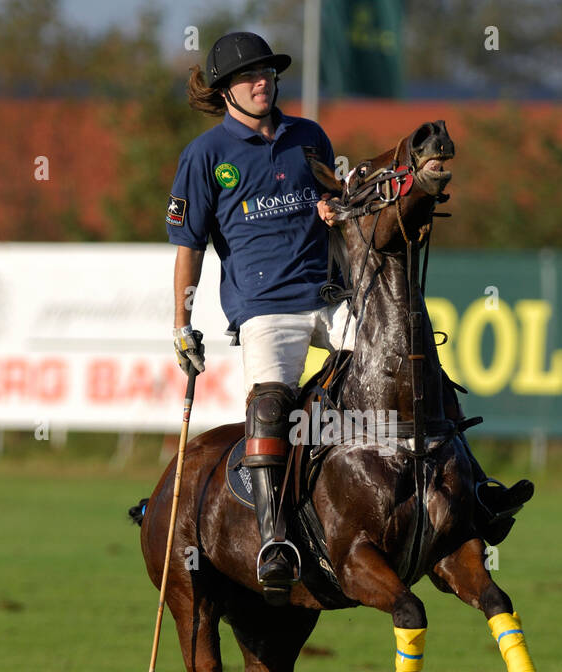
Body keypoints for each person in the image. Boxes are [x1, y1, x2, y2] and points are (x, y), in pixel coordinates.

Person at [167, 31, 531, 605]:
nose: (262, 83)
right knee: (270, 403)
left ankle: (477, 491)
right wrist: (182, 325)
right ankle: (275, 538)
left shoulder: (307, 135)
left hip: (332, 293)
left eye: (267, 73)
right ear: (225, 90)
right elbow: (188, 246)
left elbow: (341, 210)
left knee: (411, 358)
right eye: (249, 77)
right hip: (266, 309)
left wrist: (335, 210)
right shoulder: (206, 156)